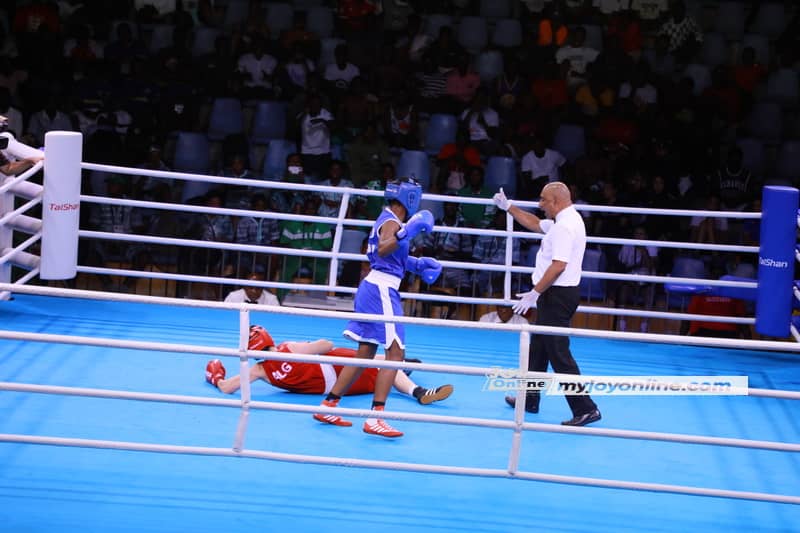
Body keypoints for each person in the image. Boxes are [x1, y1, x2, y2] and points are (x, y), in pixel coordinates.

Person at [314, 177, 441, 437]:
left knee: (365, 354)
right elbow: (384, 249)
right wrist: (407, 232)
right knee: (395, 354)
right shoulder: (393, 222)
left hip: (374, 287)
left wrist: (416, 264)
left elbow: (386, 257)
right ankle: (375, 418)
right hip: (381, 291)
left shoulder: (389, 219)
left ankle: (329, 405)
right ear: (411, 198)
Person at [492, 182, 601, 426]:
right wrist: (509, 206)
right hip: (556, 295)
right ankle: (530, 399)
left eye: (543, 200)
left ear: (556, 201)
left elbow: (558, 265)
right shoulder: (568, 219)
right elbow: (533, 223)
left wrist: (534, 292)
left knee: (559, 354)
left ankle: (586, 408)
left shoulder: (564, 227)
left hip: (556, 295)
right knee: (539, 349)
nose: (540, 204)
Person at [205, 325, 453, 405]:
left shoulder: (259, 371)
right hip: (337, 367)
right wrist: (307, 344)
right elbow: (325, 345)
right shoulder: (288, 348)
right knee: (387, 365)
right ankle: (419, 392)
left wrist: (216, 377)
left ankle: (404, 366)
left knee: (380, 367)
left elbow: (227, 388)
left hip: (337, 387)